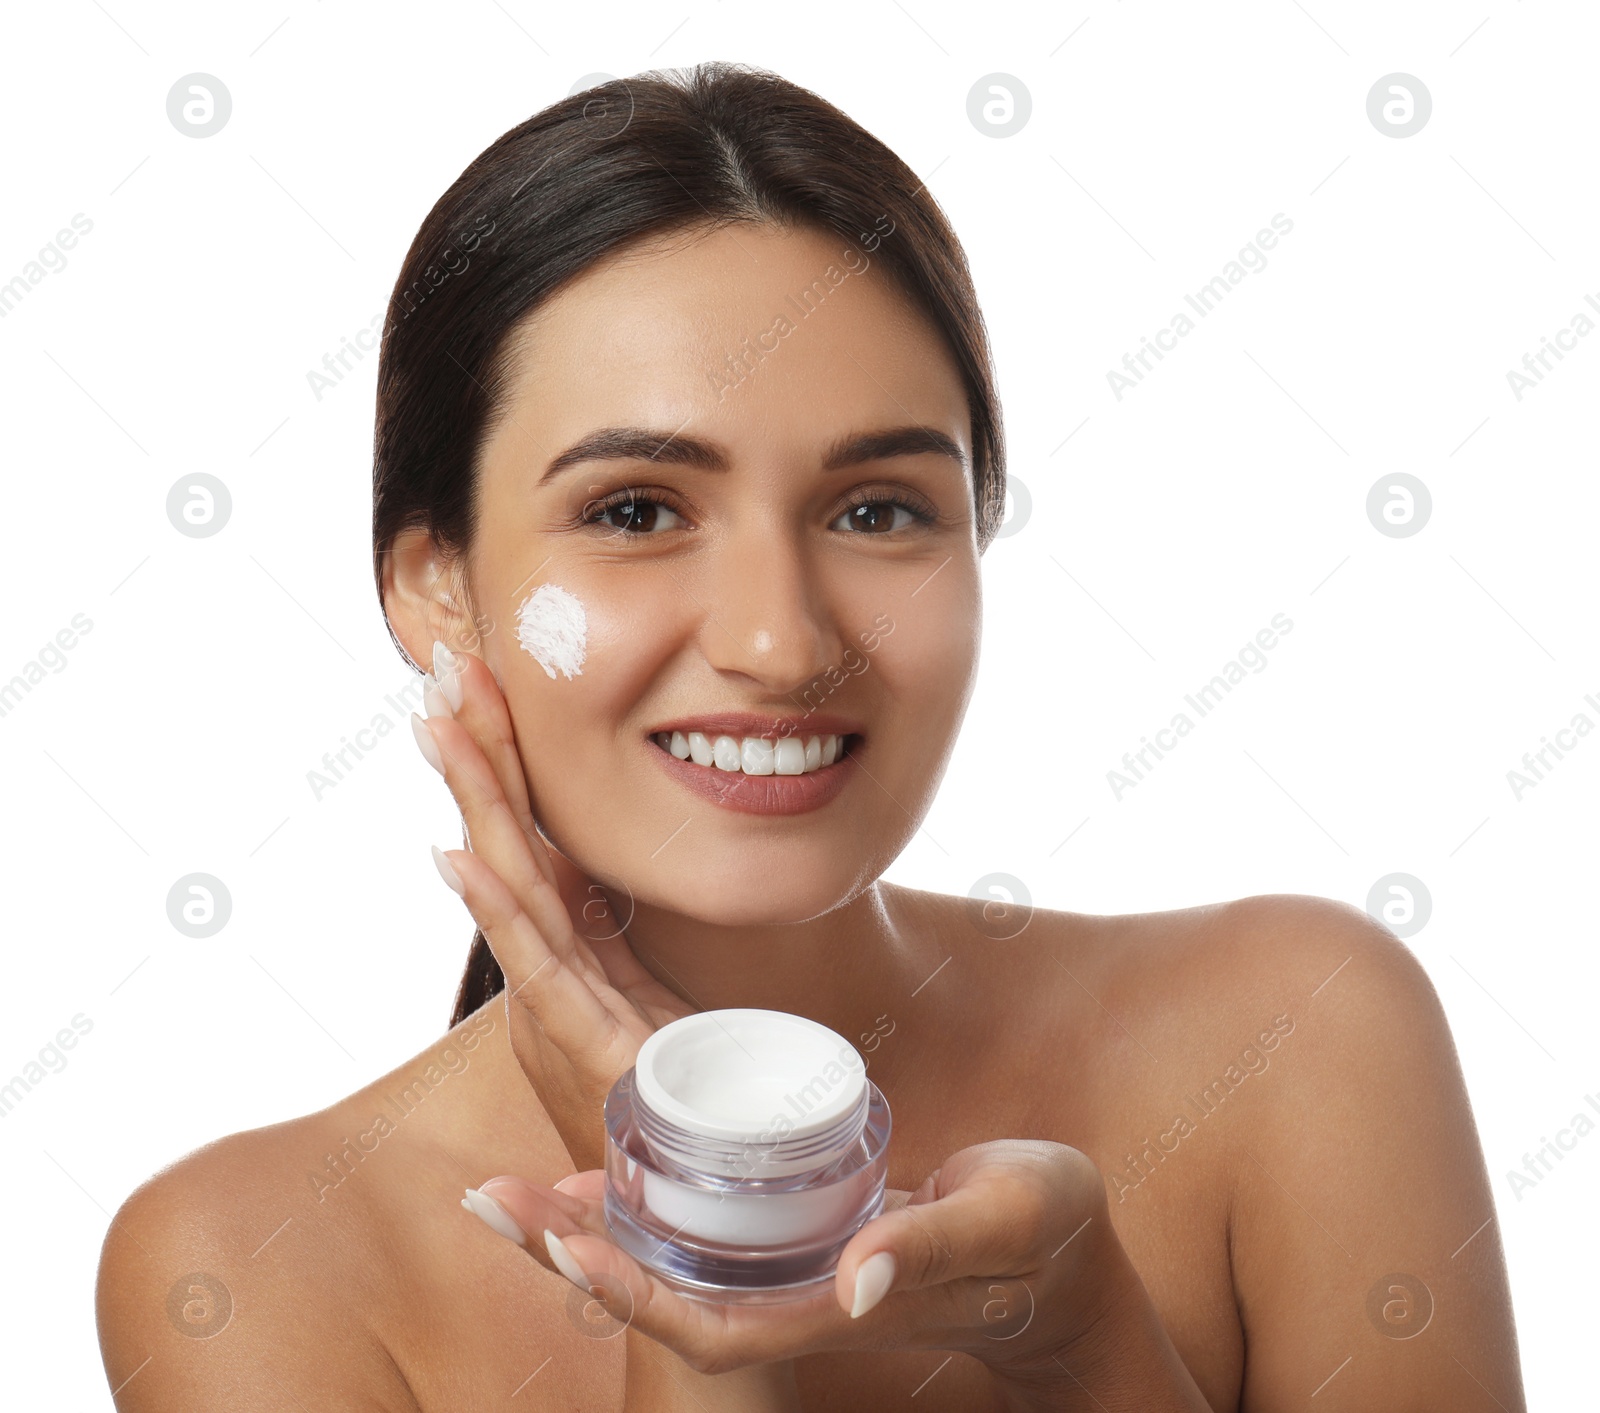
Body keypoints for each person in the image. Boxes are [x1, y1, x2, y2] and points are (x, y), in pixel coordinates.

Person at [95, 61, 1526, 1411]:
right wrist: (695, 1232)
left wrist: (1088, 1340)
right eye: (638, 511)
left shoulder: (1301, 1036)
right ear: (435, 588)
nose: (781, 643)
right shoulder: (250, 1262)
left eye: (876, 510)